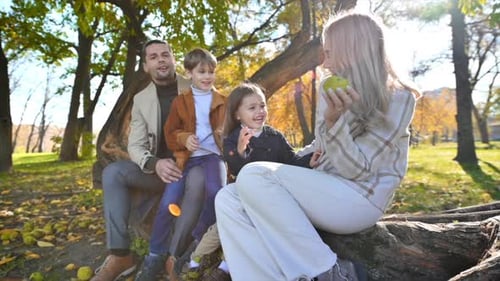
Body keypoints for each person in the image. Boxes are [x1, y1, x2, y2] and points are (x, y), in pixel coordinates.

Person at [214, 11, 420, 281]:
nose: (325, 62)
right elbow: (320, 146)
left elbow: (357, 171)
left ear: (354, 50)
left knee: (253, 174)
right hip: (324, 187)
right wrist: (292, 161)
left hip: (360, 198)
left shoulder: (398, 99)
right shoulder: (330, 89)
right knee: (228, 197)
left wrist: (334, 123)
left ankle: (330, 273)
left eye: (331, 53)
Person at [91, 40, 206, 281]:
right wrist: (155, 164)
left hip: (192, 170)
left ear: (174, 60)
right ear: (145, 66)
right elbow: (135, 145)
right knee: (112, 173)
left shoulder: (197, 88)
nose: (161, 60)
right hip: (156, 173)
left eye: (165, 55)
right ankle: (120, 255)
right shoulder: (141, 99)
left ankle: (175, 258)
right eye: (153, 57)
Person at [182, 82, 316, 281]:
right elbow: (236, 168)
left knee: (251, 231)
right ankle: (194, 263)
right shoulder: (233, 139)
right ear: (238, 114)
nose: (260, 111)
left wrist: (309, 160)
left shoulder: (275, 136)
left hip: (270, 198)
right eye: (252, 108)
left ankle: (226, 267)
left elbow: (290, 162)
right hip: (241, 195)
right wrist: (240, 151)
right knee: (221, 228)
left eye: (262, 105)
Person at [134, 47, 227, 281]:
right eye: (201, 72)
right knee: (169, 201)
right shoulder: (181, 101)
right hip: (185, 159)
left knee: (216, 192)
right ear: (189, 74)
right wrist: (185, 138)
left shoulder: (222, 101)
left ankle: (198, 238)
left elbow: (231, 130)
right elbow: (170, 133)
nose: (207, 77)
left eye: (211, 72)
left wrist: (222, 134)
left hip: (213, 157)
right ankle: (155, 254)